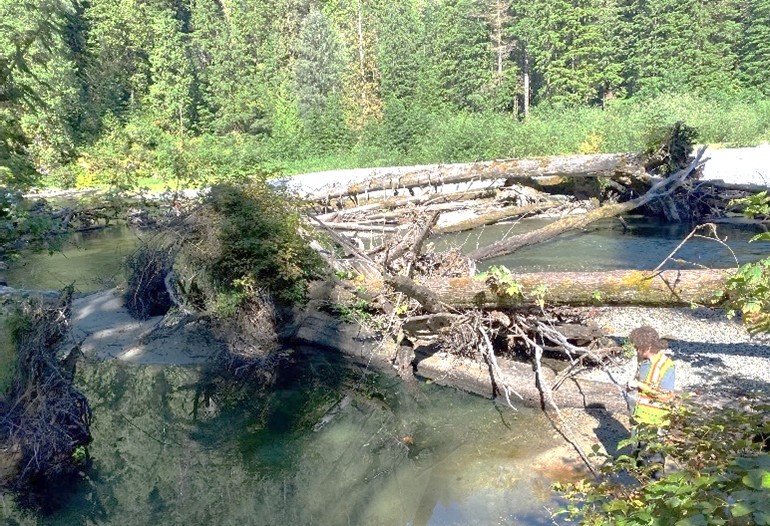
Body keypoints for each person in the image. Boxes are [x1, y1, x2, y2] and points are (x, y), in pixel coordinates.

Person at [626, 325, 676, 478]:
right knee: (638, 456)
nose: (635, 349)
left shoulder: (666, 366)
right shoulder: (643, 361)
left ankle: (656, 490)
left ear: (647, 346)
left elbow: (666, 396)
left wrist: (640, 385)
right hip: (639, 418)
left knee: (654, 461)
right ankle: (639, 487)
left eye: (637, 347)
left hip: (656, 423)